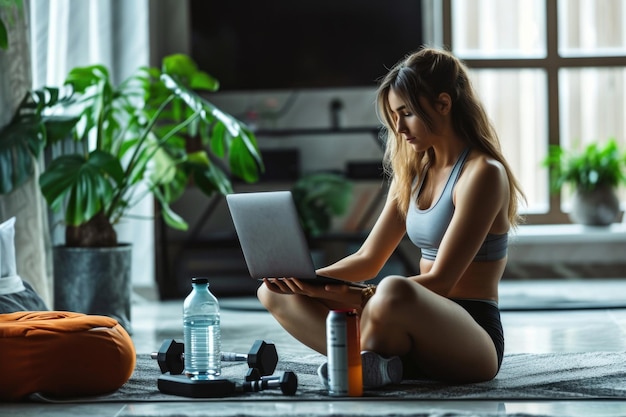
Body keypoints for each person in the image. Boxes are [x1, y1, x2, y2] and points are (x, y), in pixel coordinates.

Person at [257, 47, 526, 387]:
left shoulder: (483, 173)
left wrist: (362, 295)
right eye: (394, 116)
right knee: (273, 293)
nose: (398, 127)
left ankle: (357, 361)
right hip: (399, 319)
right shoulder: (413, 175)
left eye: (407, 113)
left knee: (393, 290)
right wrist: (305, 281)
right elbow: (368, 258)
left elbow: (441, 281)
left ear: (443, 104)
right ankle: (379, 366)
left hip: (471, 335)